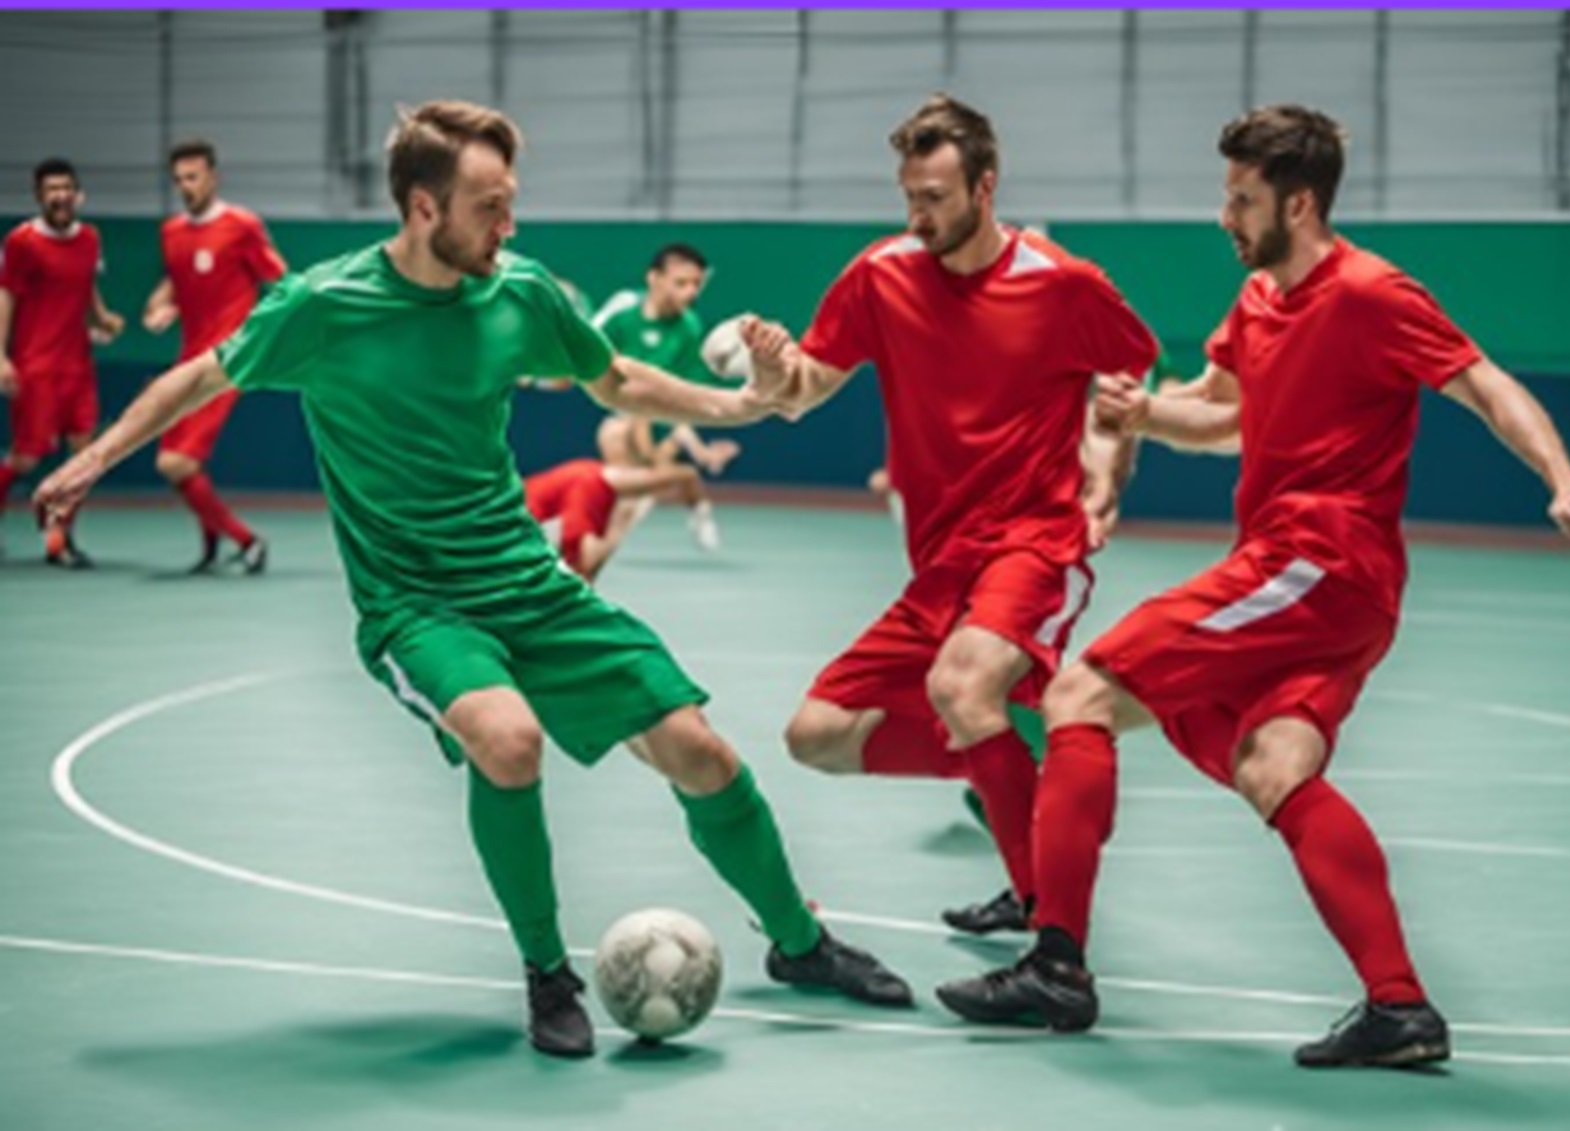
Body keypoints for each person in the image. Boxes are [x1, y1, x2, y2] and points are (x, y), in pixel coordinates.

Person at [36, 100, 910, 1059]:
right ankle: (547, 972)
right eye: (489, 208)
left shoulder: (517, 293)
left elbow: (613, 378)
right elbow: (196, 378)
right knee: (508, 740)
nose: (509, 226)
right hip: (414, 604)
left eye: (510, 203)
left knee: (700, 751)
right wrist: (90, 463)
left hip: (525, 581)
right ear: (422, 207)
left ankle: (800, 942)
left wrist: (742, 402)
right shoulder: (324, 306)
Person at [934, 104, 1570, 1070]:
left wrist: (1560, 479)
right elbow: (1219, 416)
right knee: (1271, 765)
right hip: (1327, 584)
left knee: (1079, 693)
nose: (1225, 214)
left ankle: (1055, 959)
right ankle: (1400, 1007)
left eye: (1241, 197)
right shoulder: (1257, 299)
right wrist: (1139, 413)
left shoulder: (1370, 292)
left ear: (1297, 202)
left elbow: (1483, 383)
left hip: (1318, 557)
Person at [739, 94, 1158, 938]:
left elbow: (1124, 391)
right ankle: (1022, 792)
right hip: (938, 565)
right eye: (909, 197)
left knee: (961, 685)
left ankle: (1051, 934)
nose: (918, 214)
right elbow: (803, 394)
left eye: (934, 195)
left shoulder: (1063, 283)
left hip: (1034, 542)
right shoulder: (880, 275)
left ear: (984, 186)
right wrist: (776, 371)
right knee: (815, 734)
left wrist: (1106, 477)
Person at [142, 138, 288, 573]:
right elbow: (175, 282)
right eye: (179, 179)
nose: (187, 186)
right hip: (187, 361)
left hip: (228, 363)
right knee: (180, 463)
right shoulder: (171, 233)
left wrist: (265, 339)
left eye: (194, 176)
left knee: (175, 462)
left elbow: (280, 282)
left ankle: (247, 541)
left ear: (213, 177)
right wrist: (160, 306)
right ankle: (211, 548)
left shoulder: (241, 225)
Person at [0, 158, 125, 566]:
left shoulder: (90, 238)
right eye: (51, 189)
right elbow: (7, 298)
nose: (60, 195)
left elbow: (86, 289)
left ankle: (61, 541)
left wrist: (103, 319)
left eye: (66, 187)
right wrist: (1, 357)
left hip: (78, 367)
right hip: (35, 365)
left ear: (78, 194)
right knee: (26, 457)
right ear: (39, 196)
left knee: (83, 455)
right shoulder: (22, 242)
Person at [593, 243, 739, 551]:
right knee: (615, 441)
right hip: (627, 413)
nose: (692, 292)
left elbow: (683, 394)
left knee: (647, 476)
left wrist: (696, 446)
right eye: (681, 283)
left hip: (667, 417)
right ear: (654, 278)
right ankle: (677, 484)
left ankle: (695, 505)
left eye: (697, 284)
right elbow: (589, 347)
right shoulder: (623, 310)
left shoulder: (689, 327)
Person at [524, 456, 718, 583]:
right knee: (580, 573)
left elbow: (586, 568)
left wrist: (621, 524)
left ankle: (700, 509)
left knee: (582, 570)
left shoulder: (585, 488)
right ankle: (699, 506)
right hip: (581, 480)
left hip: (582, 485)